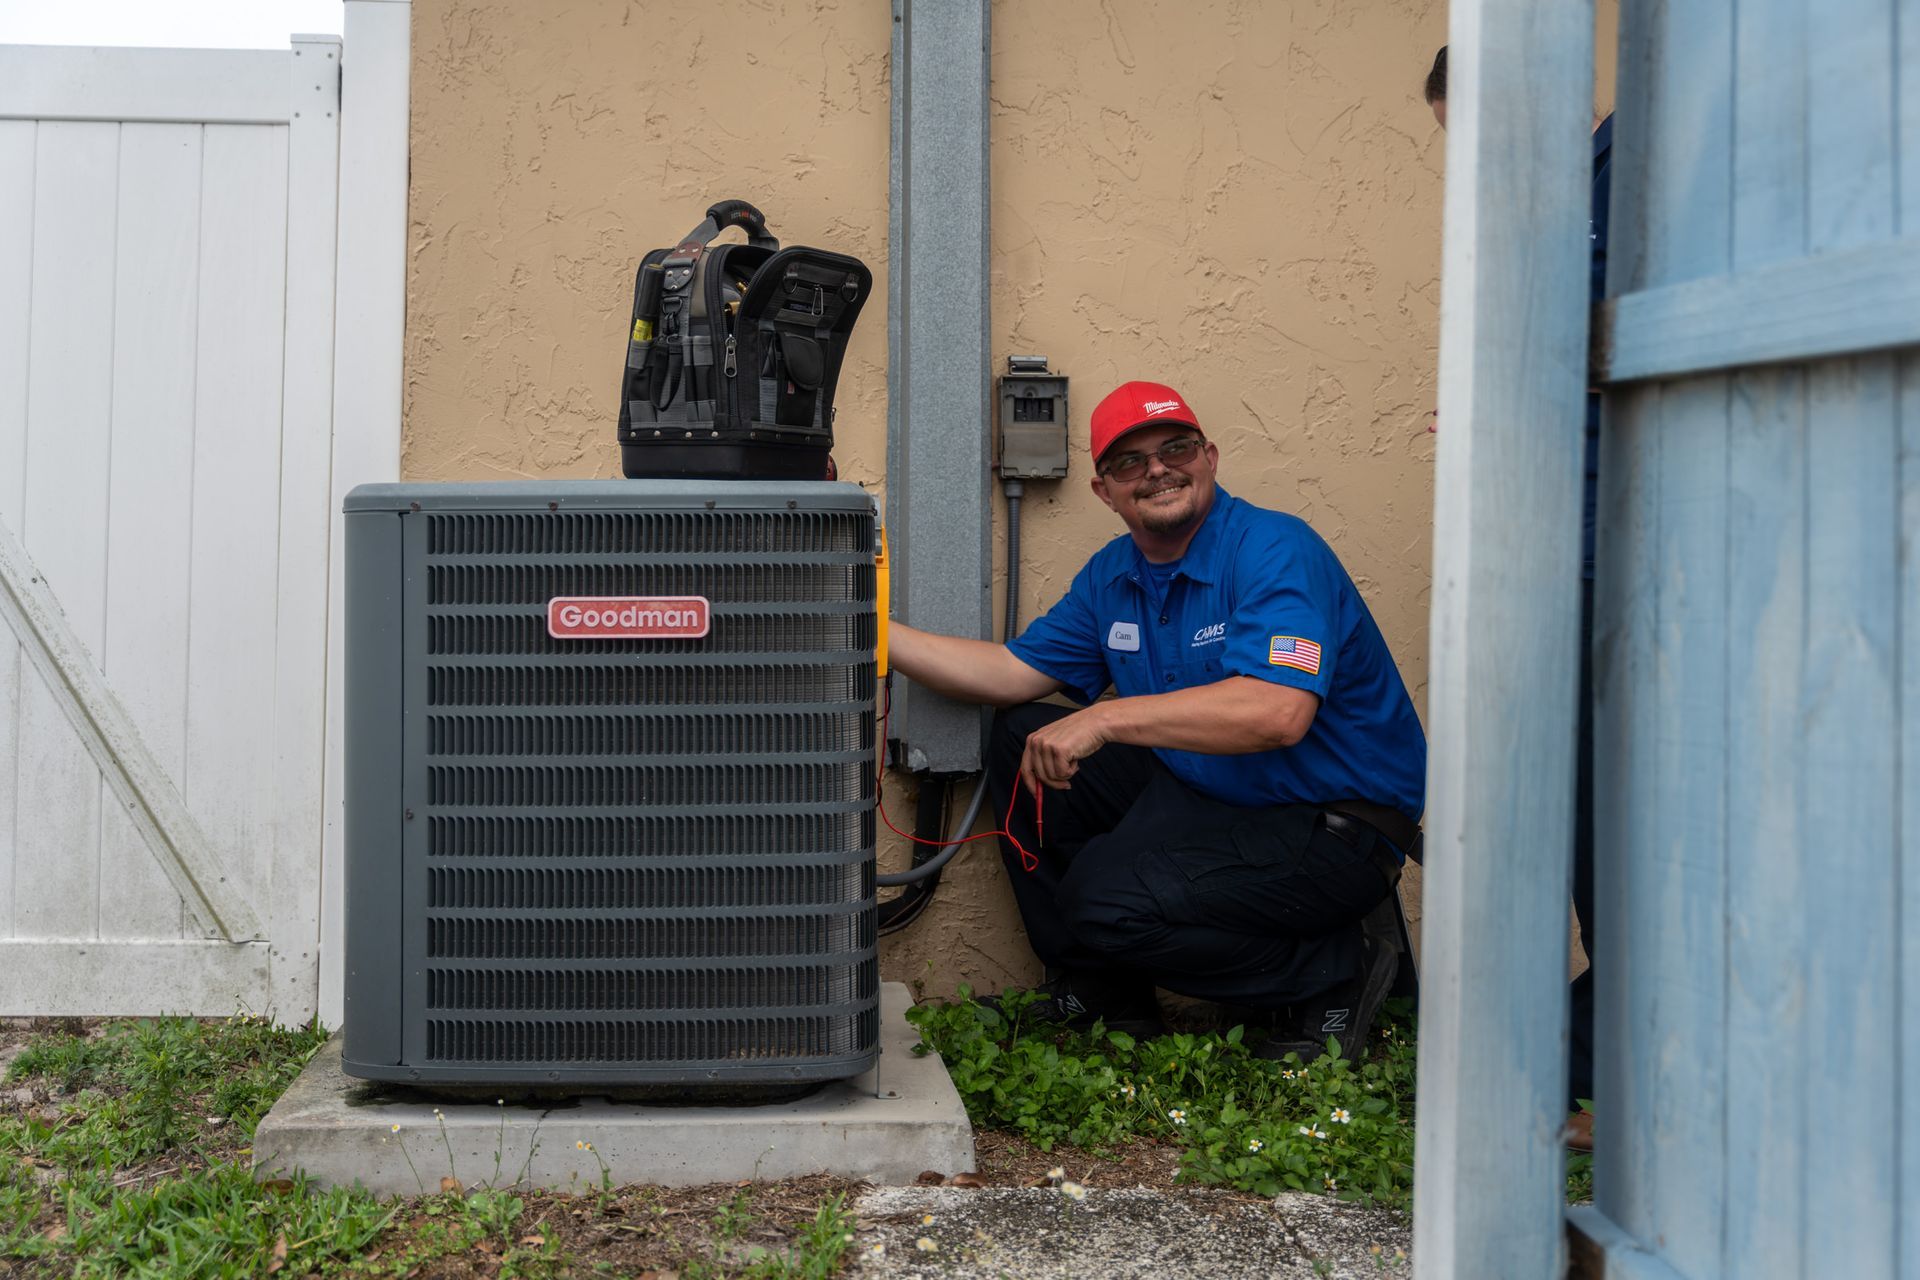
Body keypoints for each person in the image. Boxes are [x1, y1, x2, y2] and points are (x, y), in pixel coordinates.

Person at [887, 381, 1428, 1060]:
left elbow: (1279, 712)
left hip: (1332, 823)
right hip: (1219, 794)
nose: (1157, 470)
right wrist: (871, 628)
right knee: (1022, 730)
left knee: (1102, 903)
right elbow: (1006, 673)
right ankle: (1104, 991)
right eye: (1129, 462)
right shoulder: (1117, 575)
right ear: (1104, 491)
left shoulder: (1273, 549)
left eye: (1174, 448)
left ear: (1210, 457)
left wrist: (1109, 719)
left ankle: (1331, 970)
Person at [1425, 45, 1611, 1147]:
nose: (1473, 170)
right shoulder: (1548, 210)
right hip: (1556, 562)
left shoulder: (1625, 175)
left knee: (1623, 835)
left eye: (1476, 137)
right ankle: (1594, 1072)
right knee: (1575, 828)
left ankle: (1629, 1084)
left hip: (1619, 563)